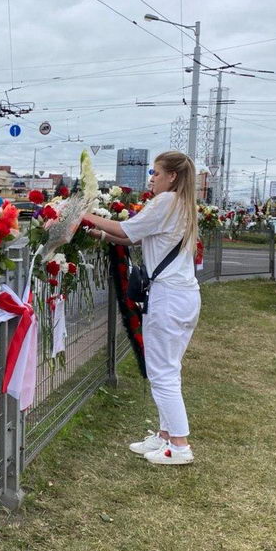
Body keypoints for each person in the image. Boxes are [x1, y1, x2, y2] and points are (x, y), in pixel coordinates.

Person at [83, 151, 200, 465]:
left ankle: (179, 446)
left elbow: (127, 230)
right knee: (168, 368)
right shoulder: (182, 204)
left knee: (162, 373)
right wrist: (102, 233)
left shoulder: (166, 202)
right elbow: (136, 239)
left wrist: (83, 213)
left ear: (172, 176)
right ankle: (165, 437)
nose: (151, 178)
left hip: (168, 298)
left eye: (156, 173)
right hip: (181, 296)